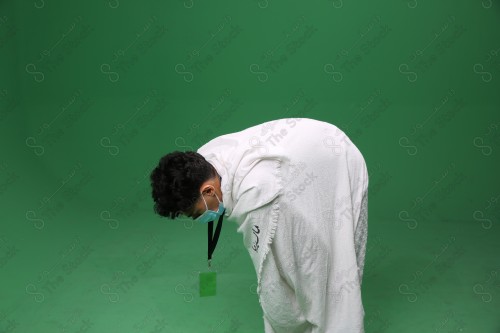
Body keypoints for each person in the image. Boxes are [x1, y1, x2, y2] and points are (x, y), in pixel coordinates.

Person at [150, 118, 369, 333]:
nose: (197, 219)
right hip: (309, 146)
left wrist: (282, 323)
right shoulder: (203, 162)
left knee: (324, 264)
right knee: (307, 260)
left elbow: (270, 279)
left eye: (196, 213)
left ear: (208, 191)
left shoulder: (258, 195)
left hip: (337, 157)